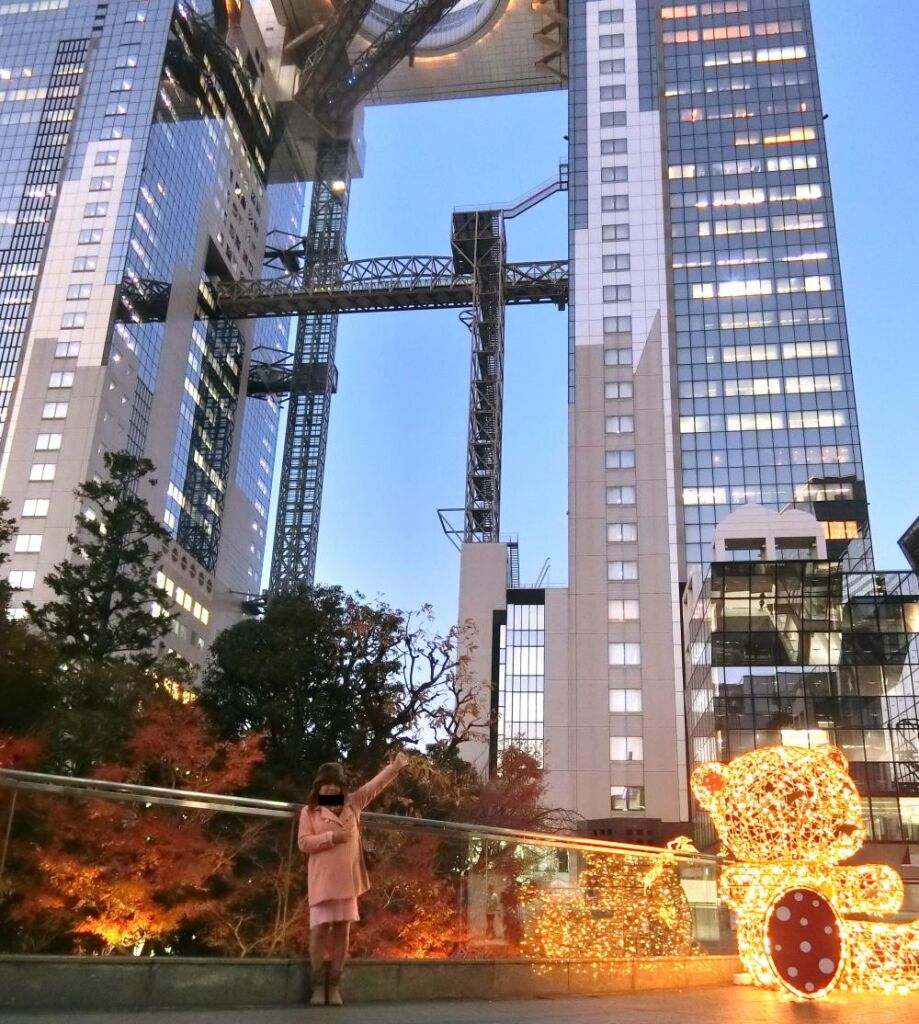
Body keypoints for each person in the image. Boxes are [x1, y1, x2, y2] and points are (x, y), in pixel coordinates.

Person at [298, 752, 409, 1006]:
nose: (330, 789)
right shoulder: (310, 812)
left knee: (342, 931)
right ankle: (318, 987)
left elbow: (374, 786)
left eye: (335, 785)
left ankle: (334, 985)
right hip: (322, 880)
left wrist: (395, 767)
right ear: (318, 787)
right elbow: (303, 843)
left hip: (347, 879)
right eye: (326, 784)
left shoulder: (352, 804)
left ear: (341, 787)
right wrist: (331, 838)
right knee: (319, 931)